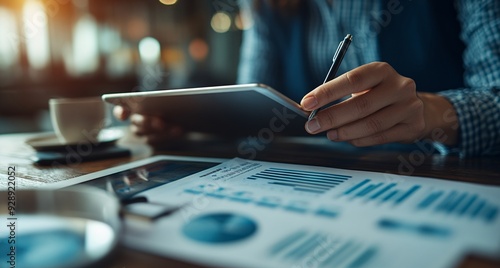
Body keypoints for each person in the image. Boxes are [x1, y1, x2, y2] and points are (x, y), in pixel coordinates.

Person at [115, 0, 500, 157]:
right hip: (316, 181)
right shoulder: (265, 5)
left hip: (438, 178)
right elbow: (249, 110)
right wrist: (193, 128)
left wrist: (431, 113)